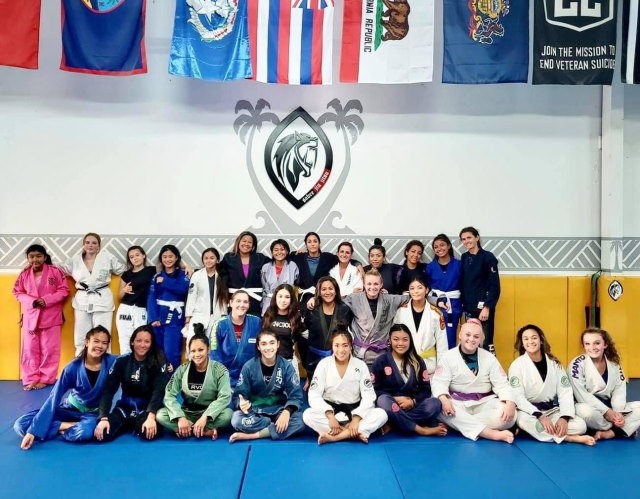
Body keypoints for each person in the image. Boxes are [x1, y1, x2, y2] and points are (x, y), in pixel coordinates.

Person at [14, 326, 116, 450]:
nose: (100, 346)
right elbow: (54, 398)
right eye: (96, 341)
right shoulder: (72, 367)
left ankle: (53, 428)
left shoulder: (112, 363)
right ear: (87, 342)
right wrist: (32, 432)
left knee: (84, 432)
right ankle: (66, 426)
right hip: (69, 409)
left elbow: (132, 360)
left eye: (104, 343)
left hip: (93, 413)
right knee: (21, 424)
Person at [431, 320, 516, 443]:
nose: (471, 339)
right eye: (468, 335)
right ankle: (490, 433)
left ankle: (459, 425)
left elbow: (502, 383)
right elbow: (439, 382)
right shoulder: (448, 356)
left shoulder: (489, 357)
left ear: (481, 339)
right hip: (457, 403)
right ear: (460, 335)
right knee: (439, 407)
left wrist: (510, 402)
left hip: (484, 402)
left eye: (476, 336)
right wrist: (444, 399)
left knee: (511, 416)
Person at [509, 325, 594, 445]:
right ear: (522, 343)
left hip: (551, 410)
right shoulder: (517, 365)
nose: (530, 342)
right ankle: (569, 438)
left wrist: (564, 418)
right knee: (525, 422)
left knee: (581, 426)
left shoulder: (554, 364)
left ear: (541, 340)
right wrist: (539, 415)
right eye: (526, 339)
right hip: (529, 412)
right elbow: (517, 396)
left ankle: (535, 433)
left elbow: (565, 392)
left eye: (534, 338)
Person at [303, 331, 388, 444]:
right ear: (332, 347)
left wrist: (357, 419)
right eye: (336, 345)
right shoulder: (324, 364)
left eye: (345, 345)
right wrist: (330, 416)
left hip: (354, 412)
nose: (341, 350)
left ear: (351, 347)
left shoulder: (360, 365)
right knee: (308, 415)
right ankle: (353, 433)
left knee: (381, 415)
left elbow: (369, 396)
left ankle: (335, 436)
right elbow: (314, 395)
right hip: (331, 414)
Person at [94, 326, 169, 442]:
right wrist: (103, 418)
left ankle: (138, 423)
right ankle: (129, 422)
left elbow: (158, 392)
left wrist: (151, 416)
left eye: (147, 341)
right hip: (125, 408)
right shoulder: (121, 361)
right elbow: (108, 390)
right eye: (139, 341)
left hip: (147, 409)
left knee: (148, 433)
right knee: (102, 433)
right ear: (132, 342)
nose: (142, 345)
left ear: (151, 344)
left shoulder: (159, 362)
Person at [229, 330, 305, 442]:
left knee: (300, 421)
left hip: (279, 410)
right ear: (258, 347)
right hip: (255, 412)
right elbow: (238, 396)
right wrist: (241, 404)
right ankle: (272, 427)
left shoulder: (286, 366)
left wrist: (287, 412)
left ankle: (254, 435)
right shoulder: (249, 367)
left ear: (278, 344)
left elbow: (296, 396)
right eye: (263, 344)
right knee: (236, 420)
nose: (268, 347)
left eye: (272, 343)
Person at [371, 324, 446, 437]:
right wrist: (395, 399)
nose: (400, 343)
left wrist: (413, 401)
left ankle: (394, 424)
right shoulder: (380, 361)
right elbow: (374, 391)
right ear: (389, 340)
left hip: (411, 406)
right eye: (396, 339)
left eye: (405, 339)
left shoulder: (418, 361)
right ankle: (421, 429)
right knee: (383, 400)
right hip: (391, 405)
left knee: (435, 403)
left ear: (410, 341)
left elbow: (426, 390)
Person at [58, 232, 126, 355]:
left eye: (94, 243)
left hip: (102, 298)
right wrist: (33, 267)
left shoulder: (107, 258)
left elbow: (123, 270)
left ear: (98, 246)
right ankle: (80, 365)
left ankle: (104, 368)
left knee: (103, 335)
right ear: (83, 245)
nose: (90, 245)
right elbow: (57, 269)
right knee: (81, 336)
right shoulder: (75, 260)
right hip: (82, 300)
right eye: (87, 242)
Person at [13, 244, 69, 390]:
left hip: (51, 317)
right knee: (29, 349)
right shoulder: (24, 274)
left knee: (49, 349)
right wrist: (31, 301)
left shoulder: (55, 272)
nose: (35, 259)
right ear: (28, 258)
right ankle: (30, 378)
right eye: (31, 256)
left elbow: (64, 290)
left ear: (44, 257)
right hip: (31, 317)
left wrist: (47, 299)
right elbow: (17, 292)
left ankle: (46, 378)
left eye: (38, 256)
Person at [568, 328, 640, 440]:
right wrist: (607, 412)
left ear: (605, 344)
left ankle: (610, 432)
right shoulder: (577, 365)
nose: (592, 348)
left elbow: (619, 390)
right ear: (583, 345)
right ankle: (621, 429)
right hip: (588, 407)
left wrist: (617, 413)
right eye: (587, 344)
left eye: (597, 343)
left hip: (610, 408)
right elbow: (581, 395)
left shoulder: (613, 364)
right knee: (586, 412)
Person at [156, 333, 232, 439]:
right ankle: (204, 432)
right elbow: (169, 395)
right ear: (189, 352)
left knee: (228, 415)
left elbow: (225, 397)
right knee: (161, 415)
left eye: (201, 350)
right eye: (193, 351)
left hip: (209, 414)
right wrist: (180, 417)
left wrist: (205, 417)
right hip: (187, 413)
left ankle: (186, 430)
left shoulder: (220, 370)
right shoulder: (182, 370)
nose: (197, 354)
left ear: (208, 350)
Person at [342, 269, 410, 366]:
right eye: (369, 284)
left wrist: (436, 301)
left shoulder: (390, 299)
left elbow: (414, 297)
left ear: (381, 284)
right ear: (364, 284)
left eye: (375, 284)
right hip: (360, 355)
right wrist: (315, 299)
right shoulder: (354, 298)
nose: (372, 287)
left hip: (383, 355)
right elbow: (333, 299)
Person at [302, 276, 353, 382]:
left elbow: (348, 334)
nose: (327, 292)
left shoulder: (345, 309)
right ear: (319, 292)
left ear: (336, 291)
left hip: (338, 359)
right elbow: (304, 334)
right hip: (314, 360)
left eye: (331, 288)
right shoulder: (312, 309)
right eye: (323, 289)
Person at [147, 244, 190, 369]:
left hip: (175, 319)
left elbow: (182, 289)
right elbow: (151, 297)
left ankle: (172, 383)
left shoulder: (183, 274)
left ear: (176, 258)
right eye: (164, 256)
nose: (168, 259)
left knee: (172, 353)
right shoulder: (156, 277)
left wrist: (165, 282)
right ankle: (159, 383)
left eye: (171, 256)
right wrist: (153, 318)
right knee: (157, 352)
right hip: (158, 319)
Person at [393, 277, 448, 375]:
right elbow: (395, 338)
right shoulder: (401, 311)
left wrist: (441, 369)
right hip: (405, 362)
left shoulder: (435, 313)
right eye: (412, 288)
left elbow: (442, 344)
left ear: (426, 290)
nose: (416, 291)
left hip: (428, 364)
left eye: (419, 288)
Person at [459, 227, 500, 352]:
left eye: (469, 237)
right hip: (469, 307)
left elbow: (495, 285)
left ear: (477, 237)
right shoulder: (464, 257)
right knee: (470, 342)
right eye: (463, 239)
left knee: (486, 342)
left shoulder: (488, 257)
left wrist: (487, 307)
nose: (466, 241)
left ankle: (490, 371)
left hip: (483, 309)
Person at [210, 290, 261, 386]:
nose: (242, 305)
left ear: (249, 305)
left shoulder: (256, 322)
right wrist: (222, 380)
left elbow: (262, 350)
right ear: (230, 303)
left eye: (245, 302)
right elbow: (214, 355)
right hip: (226, 378)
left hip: (251, 377)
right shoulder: (219, 324)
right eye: (238, 301)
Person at [184, 247, 229, 348]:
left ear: (217, 260)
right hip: (198, 315)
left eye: (212, 258)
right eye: (206, 258)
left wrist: (224, 316)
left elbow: (225, 298)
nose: (208, 260)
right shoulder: (196, 275)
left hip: (218, 315)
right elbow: (191, 297)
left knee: (214, 345)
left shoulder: (223, 275)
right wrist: (187, 320)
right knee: (193, 344)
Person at [116, 246, 156, 355]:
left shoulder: (151, 270)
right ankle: (125, 366)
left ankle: (139, 367)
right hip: (126, 308)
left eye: (137, 255)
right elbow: (119, 296)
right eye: (131, 257)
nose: (135, 258)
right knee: (125, 340)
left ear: (143, 255)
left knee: (141, 338)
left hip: (142, 309)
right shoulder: (126, 274)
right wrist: (124, 290)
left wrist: (185, 266)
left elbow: (169, 265)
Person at [425, 234, 462, 348]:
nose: (439, 249)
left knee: (450, 338)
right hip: (435, 307)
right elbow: (426, 289)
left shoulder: (459, 265)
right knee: (434, 339)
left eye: (442, 245)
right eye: (436, 247)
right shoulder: (430, 267)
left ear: (449, 246)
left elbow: (464, 285)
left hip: (453, 306)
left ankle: (449, 364)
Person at [222, 231, 269, 316]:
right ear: (238, 242)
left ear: (253, 245)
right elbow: (216, 269)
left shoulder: (260, 258)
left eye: (250, 242)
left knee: (254, 326)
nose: (246, 244)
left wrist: (294, 255)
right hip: (235, 300)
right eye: (244, 241)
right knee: (235, 326)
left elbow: (277, 261)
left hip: (254, 301)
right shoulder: (229, 257)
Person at [262, 284, 302, 376]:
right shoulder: (268, 315)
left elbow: (301, 342)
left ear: (291, 299)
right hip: (269, 362)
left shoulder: (296, 317)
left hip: (288, 362)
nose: (283, 300)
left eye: (287, 297)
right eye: (280, 296)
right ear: (275, 297)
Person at [260, 239, 299, 315]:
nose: (279, 252)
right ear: (272, 252)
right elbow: (263, 287)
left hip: (287, 303)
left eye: (282, 249)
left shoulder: (292, 266)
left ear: (287, 251)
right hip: (269, 303)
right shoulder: (266, 267)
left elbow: (297, 285)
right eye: (276, 250)